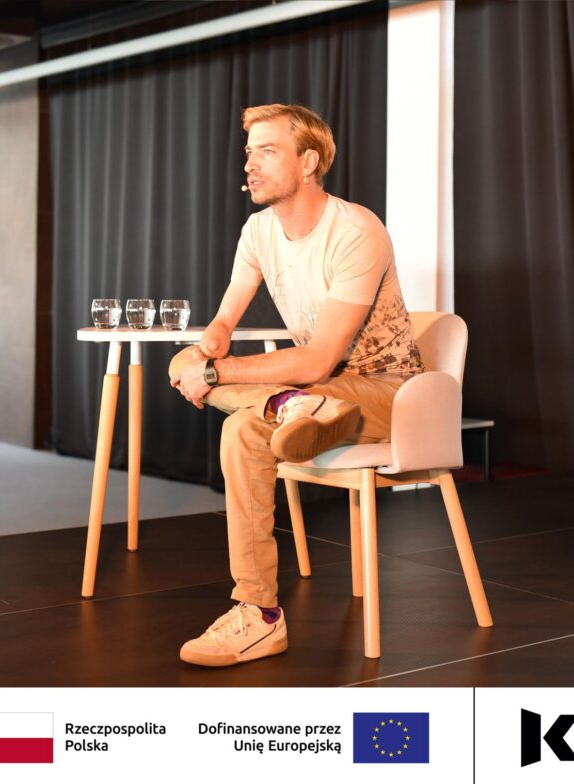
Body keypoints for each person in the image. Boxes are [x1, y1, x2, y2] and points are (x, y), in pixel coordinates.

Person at [169, 103, 425, 667]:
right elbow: (224, 321)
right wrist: (203, 350)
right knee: (183, 366)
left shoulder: (356, 231)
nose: (249, 165)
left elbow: (317, 359)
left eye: (267, 151)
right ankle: (290, 408)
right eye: (249, 152)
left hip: (390, 392)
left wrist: (215, 374)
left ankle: (258, 615)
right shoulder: (259, 230)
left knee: (240, 425)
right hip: (322, 394)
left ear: (308, 163)